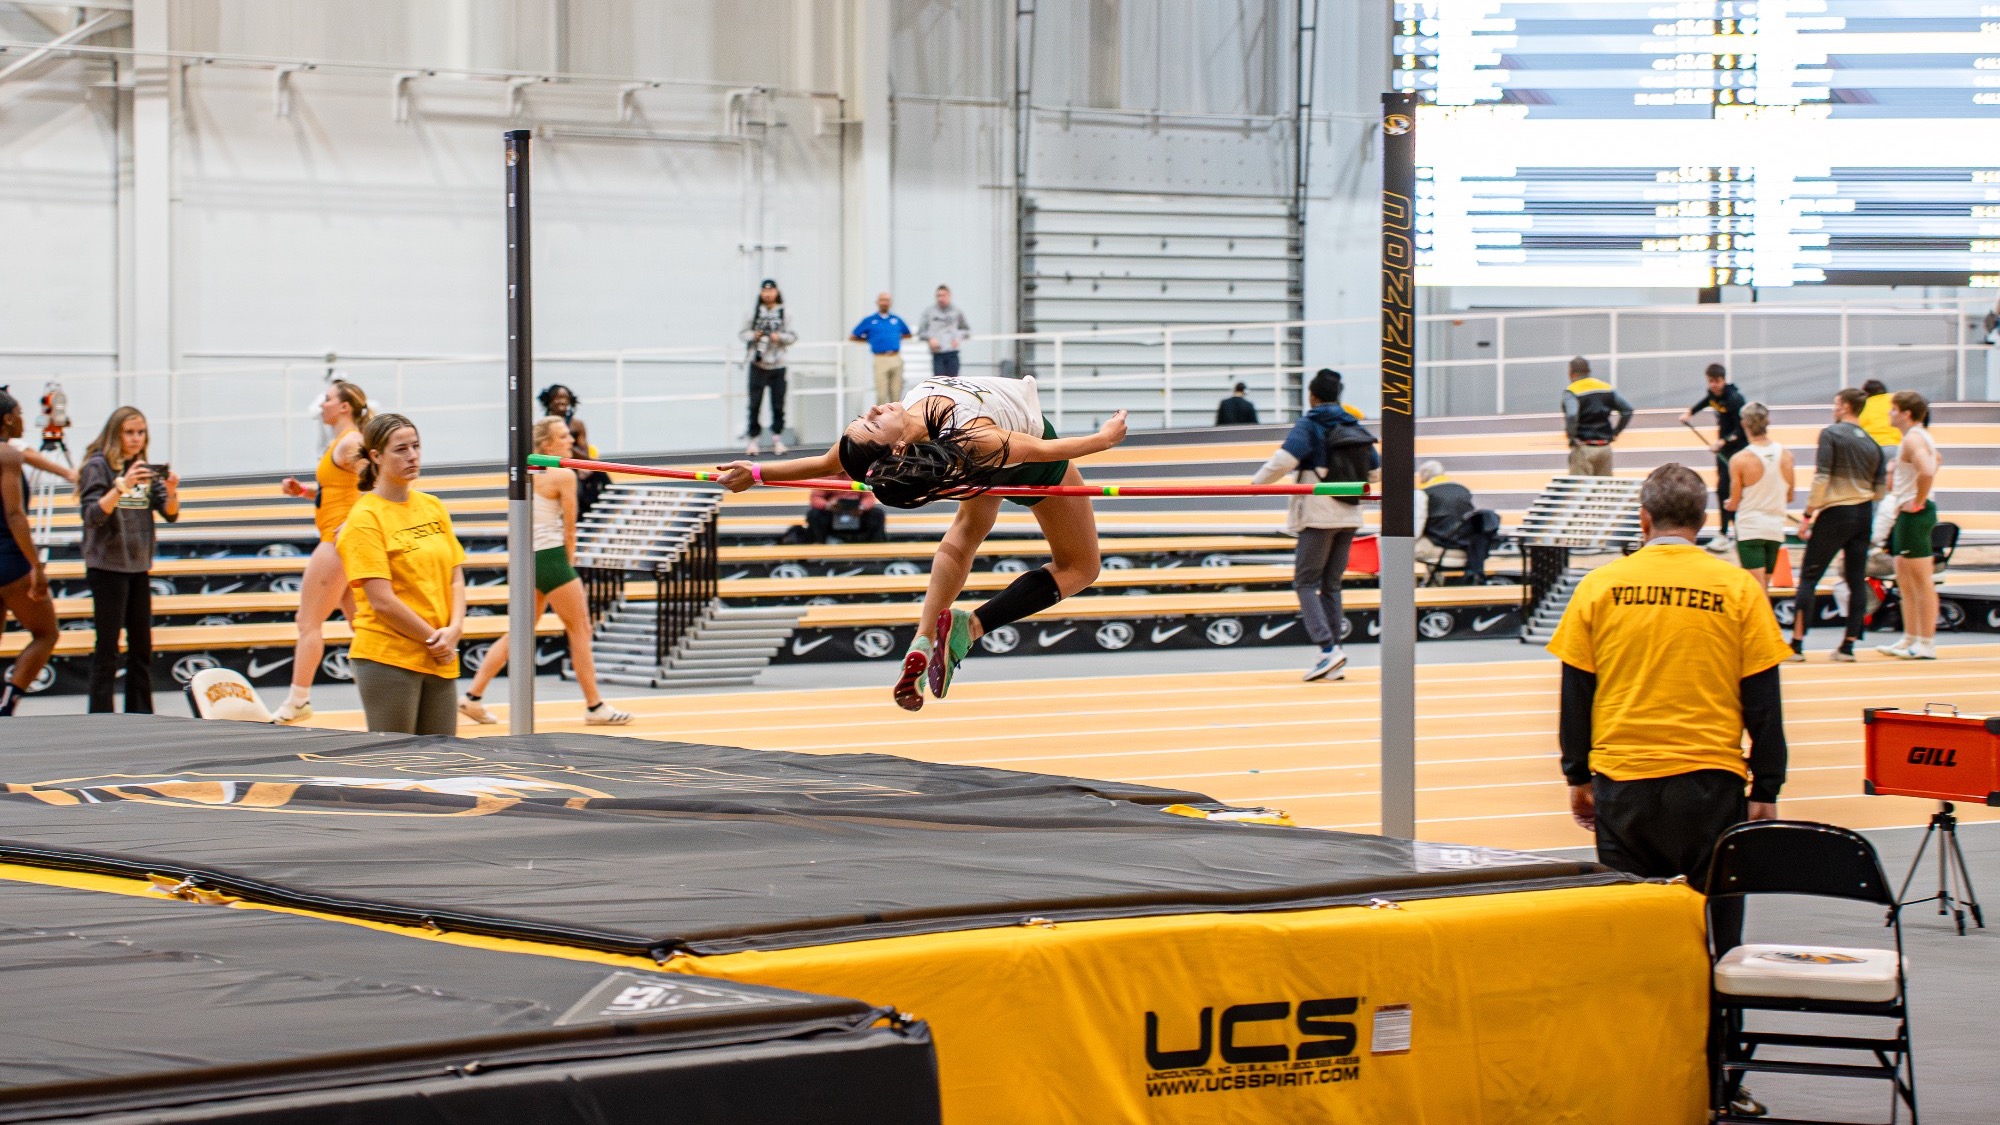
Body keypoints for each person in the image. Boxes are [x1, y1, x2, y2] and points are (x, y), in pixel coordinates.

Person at [716, 373, 1127, 711]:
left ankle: (924, 637)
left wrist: (755, 473)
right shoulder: (971, 435)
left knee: (967, 531)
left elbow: (826, 464)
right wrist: (1105, 438)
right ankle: (973, 625)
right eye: (873, 421)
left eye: (866, 415)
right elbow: (1043, 448)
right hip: (1027, 459)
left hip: (972, 469)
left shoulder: (921, 441)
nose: (875, 409)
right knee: (1080, 568)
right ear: (896, 447)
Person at [1549, 462, 1789, 920]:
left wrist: (1577, 776)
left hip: (1624, 786)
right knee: (1712, 928)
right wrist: (1768, 786)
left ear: (1644, 518)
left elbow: (1576, 695)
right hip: (1710, 786)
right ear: (1703, 521)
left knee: (1632, 929)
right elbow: (1764, 702)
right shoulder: (1738, 588)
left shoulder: (1599, 586)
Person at [460, 416, 632, 727]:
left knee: (520, 631)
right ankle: (595, 705)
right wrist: (568, 567)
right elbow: (569, 529)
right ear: (546, 444)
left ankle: (473, 697)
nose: (570, 441)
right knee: (580, 629)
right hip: (552, 557)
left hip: (527, 558)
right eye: (563, 437)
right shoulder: (563, 475)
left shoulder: (522, 473)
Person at [337, 413, 467, 735]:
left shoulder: (433, 506)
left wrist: (454, 630)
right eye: (401, 449)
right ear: (376, 457)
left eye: (416, 446)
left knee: (443, 759)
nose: (412, 456)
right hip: (389, 656)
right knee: (396, 763)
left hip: (439, 652)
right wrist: (434, 639)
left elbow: (456, 576)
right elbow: (381, 601)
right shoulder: (365, 518)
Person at [1252, 370, 1377, 681]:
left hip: (1319, 515)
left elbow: (1283, 461)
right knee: (1331, 584)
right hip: (1350, 515)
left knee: (1306, 582)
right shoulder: (1352, 424)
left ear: (1312, 395)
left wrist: (1256, 484)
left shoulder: (1310, 423)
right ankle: (1334, 651)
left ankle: (1327, 650)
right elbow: (1375, 473)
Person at [272, 380, 369, 722]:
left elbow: (375, 483)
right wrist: (303, 491)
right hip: (340, 538)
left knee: (308, 621)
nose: (322, 405)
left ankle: (298, 701)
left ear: (344, 407)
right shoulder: (342, 444)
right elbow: (338, 490)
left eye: (328, 399)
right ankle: (387, 692)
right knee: (365, 626)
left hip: (337, 542)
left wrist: (355, 520)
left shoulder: (351, 442)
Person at [76, 407, 178, 713]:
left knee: (141, 648)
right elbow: (91, 515)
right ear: (115, 434)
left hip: (138, 565)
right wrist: (121, 486)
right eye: (129, 432)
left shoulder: (143, 467)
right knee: (107, 649)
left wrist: (171, 491)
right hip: (107, 566)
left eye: (141, 432)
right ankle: (101, 717)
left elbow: (171, 514)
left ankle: (141, 715)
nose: (135, 439)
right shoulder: (98, 466)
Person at [1788, 388, 1885, 663]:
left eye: (1835, 404)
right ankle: (1848, 646)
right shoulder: (1872, 443)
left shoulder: (1830, 434)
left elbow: (1822, 478)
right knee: (1856, 581)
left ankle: (1796, 645)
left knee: (1809, 577)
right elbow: (1880, 492)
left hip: (1835, 513)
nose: (1834, 408)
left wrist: (1808, 515)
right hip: (1864, 514)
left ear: (1844, 406)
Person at [0, 390, 58, 715]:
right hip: (9, 559)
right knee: (46, 633)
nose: (24, 419)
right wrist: (36, 566)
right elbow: (14, 514)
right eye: (20, 413)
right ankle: (7, 706)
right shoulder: (7, 454)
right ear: (8, 418)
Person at [1877, 391, 1942, 660]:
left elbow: (1927, 470)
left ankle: (1926, 642)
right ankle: (1910, 638)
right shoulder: (1917, 437)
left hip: (1915, 514)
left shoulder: (1914, 438)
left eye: (1893, 410)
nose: (1889, 414)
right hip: (1907, 513)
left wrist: (1918, 500)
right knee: (1904, 579)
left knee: (1921, 581)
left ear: (1906, 413)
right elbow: (1937, 460)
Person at [1723, 403, 1794, 591]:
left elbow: (1734, 502)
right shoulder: (1786, 455)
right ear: (1767, 422)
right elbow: (1789, 496)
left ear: (1744, 424)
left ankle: (1765, 621)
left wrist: (1729, 504)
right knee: (1764, 589)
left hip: (1750, 529)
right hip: (1775, 529)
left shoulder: (1739, 460)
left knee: (1756, 591)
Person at [1677, 363, 1748, 550]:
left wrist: (1723, 441)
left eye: (1717, 381)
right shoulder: (1713, 395)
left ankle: (1738, 533)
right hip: (1722, 451)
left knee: (1733, 490)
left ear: (1723, 380)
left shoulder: (1734, 399)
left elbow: (1741, 429)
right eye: (1710, 382)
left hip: (1737, 451)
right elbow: (1705, 402)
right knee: (1722, 489)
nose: (1714, 385)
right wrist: (1689, 413)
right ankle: (1725, 533)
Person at [1413, 461, 1496, 583]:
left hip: (1444, 550)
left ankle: (1406, 591)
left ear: (1424, 476)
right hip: (1470, 550)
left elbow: (1416, 529)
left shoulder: (1423, 494)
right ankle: (1433, 584)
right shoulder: (1462, 490)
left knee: (1401, 549)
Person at [741, 279, 796, 455]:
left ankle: (777, 440)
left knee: (778, 404)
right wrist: (755, 335)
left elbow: (792, 336)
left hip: (778, 364)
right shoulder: (753, 313)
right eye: (764, 291)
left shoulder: (785, 313)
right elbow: (742, 334)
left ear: (777, 292)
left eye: (771, 290)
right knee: (754, 404)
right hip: (758, 363)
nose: (768, 294)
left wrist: (777, 337)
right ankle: (753, 440)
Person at [1560, 357, 1633, 476]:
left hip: (1583, 448)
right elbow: (1627, 410)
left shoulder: (1572, 391)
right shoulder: (1605, 387)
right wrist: (1616, 432)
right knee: (1603, 490)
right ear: (1589, 371)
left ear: (1571, 373)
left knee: (1580, 490)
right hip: (1604, 448)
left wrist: (1571, 437)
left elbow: (1572, 415)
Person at [1854, 379, 1900, 552]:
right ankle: (1888, 533)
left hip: (1873, 449)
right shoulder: (1892, 400)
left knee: (1873, 493)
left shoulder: (1864, 404)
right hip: (1896, 448)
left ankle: (1872, 534)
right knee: (1892, 492)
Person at [851, 292, 913, 404]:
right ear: (877, 302)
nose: (884, 303)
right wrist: (870, 339)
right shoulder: (870, 320)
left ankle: (896, 420)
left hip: (895, 357)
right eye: (882, 300)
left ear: (890, 303)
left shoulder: (896, 319)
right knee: (881, 394)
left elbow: (908, 334)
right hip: (880, 358)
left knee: (896, 393)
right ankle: (881, 420)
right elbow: (853, 336)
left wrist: (894, 338)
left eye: (887, 300)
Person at [915, 284, 971, 379]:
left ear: (949, 296)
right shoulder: (929, 312)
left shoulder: (957, 312)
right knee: (940, 383)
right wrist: (930, 338)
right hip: (938, 354)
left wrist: (958, 337)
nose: (940, 298)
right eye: (938, 296)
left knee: (954, 383)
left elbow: (966, 330)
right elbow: (921, 332)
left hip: (952, 353)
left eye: (943, 295)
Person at [796, 486, 885, 544]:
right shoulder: (827, 476)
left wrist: (862, 507)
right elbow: (816, 497)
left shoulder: (858, 475)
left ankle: (874, 546)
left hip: (857, 513)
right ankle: (821, 544)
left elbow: (868, 497)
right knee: (814, 514)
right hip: (832, 513)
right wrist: (827, 505)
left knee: (877, 514)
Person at [565, 416, 610, 516]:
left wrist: (589, 464)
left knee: (599, 472)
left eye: (570, 435)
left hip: (576, 465)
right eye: (563, 436)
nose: (571, 440)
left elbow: (585, 452)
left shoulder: (577, 424)